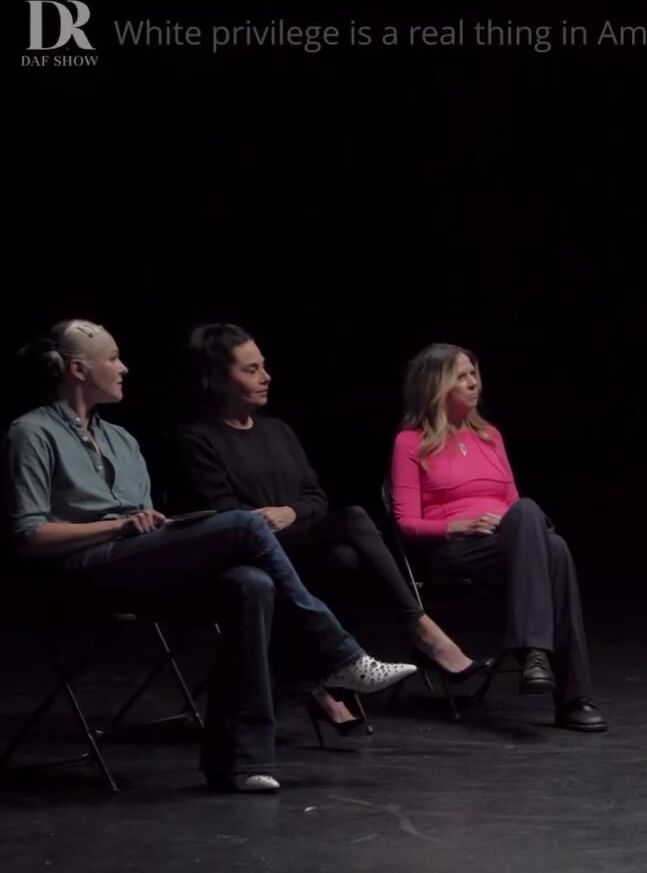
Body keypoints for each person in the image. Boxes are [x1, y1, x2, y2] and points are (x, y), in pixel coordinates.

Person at [5, 320, 417, 793]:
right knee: (244, 524)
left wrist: (151, 524)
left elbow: (143, 520)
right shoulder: (31, 433)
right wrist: (118, 526)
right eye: (113, 359)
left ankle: (239, 763)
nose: (124, 368)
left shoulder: (122, 439)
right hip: (76, 573)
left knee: (251, 583)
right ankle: (338, 653)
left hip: (134, 564)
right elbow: (29, 536)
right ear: (78, 370)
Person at [175, 324, 491, 731]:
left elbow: (315, 497)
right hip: (245, 550)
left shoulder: (277, 430)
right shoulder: (197, 438)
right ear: (217, 379)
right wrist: (276, 517)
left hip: (295, 543)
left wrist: (290, 511)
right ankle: (418, 628)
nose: (266, 376)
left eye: (264, 366)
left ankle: (320, 681)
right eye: (251, 370)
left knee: (345, 560)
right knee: (354, 519)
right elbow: (221, 510)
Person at [389, 343, 605, 732]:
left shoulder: (490, 436)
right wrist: (458, 526)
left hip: (508, 545)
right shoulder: (410, 442)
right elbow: (406, 523)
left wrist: (513, 526)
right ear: (435, 386)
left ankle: (542, 661)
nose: (474, 383)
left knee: (546, 537)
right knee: (550, 542)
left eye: (474, 373)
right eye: (461, 376)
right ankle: (569, 693)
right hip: (453, 552)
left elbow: (513, 505)